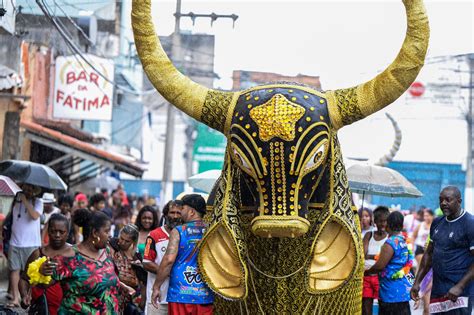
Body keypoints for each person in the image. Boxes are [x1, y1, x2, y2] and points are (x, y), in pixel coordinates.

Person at [39, 209, 120, 314]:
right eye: (106, 231)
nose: (110, 235)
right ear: (95, 233)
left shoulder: (107, 252)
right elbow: (42, 285)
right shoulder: (68, 258)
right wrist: (41, 272)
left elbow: (107, 282)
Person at [411, 186, 474, 315]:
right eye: (441, 200)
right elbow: (428, 254)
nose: (443, 203)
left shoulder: (470, 223)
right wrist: (417, 282)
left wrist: (460, 286)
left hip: (459, 293)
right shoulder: (437, 223)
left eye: (448, 200)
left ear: (459, 201)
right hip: (438, 290)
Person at [151, 194, 214, 314]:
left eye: (183, 208)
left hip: (180, 294)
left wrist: (156, 287)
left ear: (191, 212)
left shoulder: (179, 231)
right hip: (204, 295)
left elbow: (169, 259)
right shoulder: (211, 230)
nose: (180, 212)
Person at [19, 213, 74, 314]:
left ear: (68, 233)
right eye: (53, 231)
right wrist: (24, 296)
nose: (57, 235)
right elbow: (24, 279)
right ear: (48, 231)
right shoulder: (38, 253)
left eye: (61, 232)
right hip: (41, 309)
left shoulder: (75, 254)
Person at [365, 211, 413, 315]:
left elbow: (380, 266)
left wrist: (367, 272)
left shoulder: (390, 243)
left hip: (391, 294)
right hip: (403, 292)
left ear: (388, 225)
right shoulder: (404, 241)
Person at [7, 184, 43, 308]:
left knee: (31, 273)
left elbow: (34, 216)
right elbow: (9, 216)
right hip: (15, 241)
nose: (27, 190)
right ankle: (16, 298)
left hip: (31, 244)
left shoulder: (39, 202)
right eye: (25, 188)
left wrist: (25, 201)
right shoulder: (16, 201)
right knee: (14, 269)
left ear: (34, 190)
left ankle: (28, 297)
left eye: (30, 188)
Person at [143, 200, 183, 315]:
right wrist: (168, 272)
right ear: (165, 215)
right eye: (172, 212)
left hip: (179, 298)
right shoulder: (154, 235)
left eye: (178, 213)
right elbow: (146, 263)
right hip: (158, 298)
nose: (175, 216)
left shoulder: (186, 235)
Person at [109, 224, 146, 314]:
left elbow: (142, 281)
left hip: (129, 299)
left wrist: (143, 300)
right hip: (112, 293)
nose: (122, 242)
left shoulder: (136, 257)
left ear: (133, 242)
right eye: (121, 238)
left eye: (127, 241)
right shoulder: (113, 246)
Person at [362, 206, 390, 315]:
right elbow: (362, 255)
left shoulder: (389, 238)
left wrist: (371, 257)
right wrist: (378, 257)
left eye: (385, 221)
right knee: (366, 310)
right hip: (366, 276)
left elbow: (387, 259)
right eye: (380, 221)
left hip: (381, 278)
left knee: (383, 307)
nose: (383, 224)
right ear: (375, 222)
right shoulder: (369, 235)